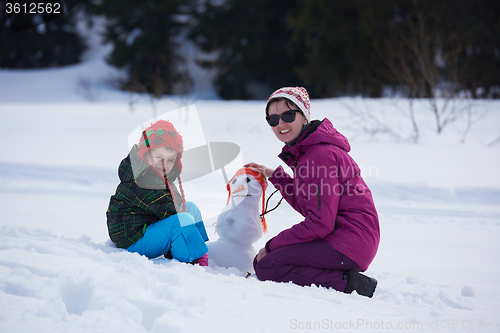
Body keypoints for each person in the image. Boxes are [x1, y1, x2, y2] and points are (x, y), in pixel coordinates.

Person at [246, 87, 380, 297]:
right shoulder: (310, 151)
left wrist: (272, 245)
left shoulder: (318, 154)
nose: (280, 124)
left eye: (288, 115)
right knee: (266, 261)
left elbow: (319, 222)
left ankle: (353, 284)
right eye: (273, 119)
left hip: (350, 242)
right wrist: (276, 176)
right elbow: (307, 205)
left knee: (267, 265)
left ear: (304, 116)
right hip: (350, 239)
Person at [107, 120, 209, 266]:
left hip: (148, 227)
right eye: (160, 158)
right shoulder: (142, 180)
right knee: (183, 220)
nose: (164, 165)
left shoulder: (158, 174)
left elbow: (174, 204)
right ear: (146, 154)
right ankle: (192, 258)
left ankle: (200, 252)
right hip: (132, 240)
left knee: (190, 208)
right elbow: (169, 210)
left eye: (170, 160)